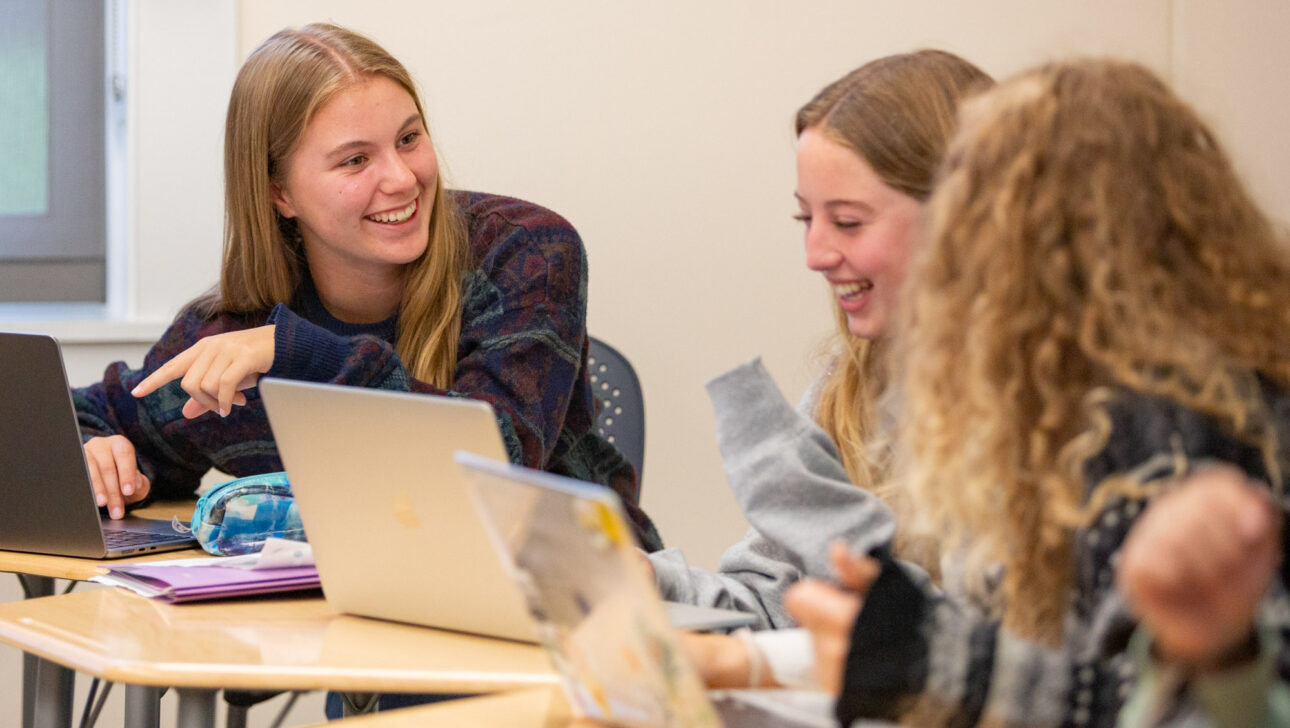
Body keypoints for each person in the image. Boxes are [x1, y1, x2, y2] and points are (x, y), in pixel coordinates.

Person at [785, 59, 1290, 728]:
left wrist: (937, 664)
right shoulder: (1065, 401)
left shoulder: (1165, 426)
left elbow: (1172, 709)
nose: (951, 259)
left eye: (970, 224)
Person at [70, 22, 661, 551]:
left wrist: (297, 353)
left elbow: (493, 460)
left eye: (408, 139)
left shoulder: (528, 252)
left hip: (576, 601)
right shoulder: (233, 328)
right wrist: (99, 453)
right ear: (280, 193)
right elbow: (102, 414)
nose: (402, 179)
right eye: (355, 160)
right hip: (368, 612)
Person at [645, 49, 992, 687]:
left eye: (848, 221)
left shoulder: (1052, 411)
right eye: (807, 218)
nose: (815, 253)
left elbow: (994, 663)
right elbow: (774, 606)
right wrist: (644, 577)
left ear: (963, 217)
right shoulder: (850, 387)